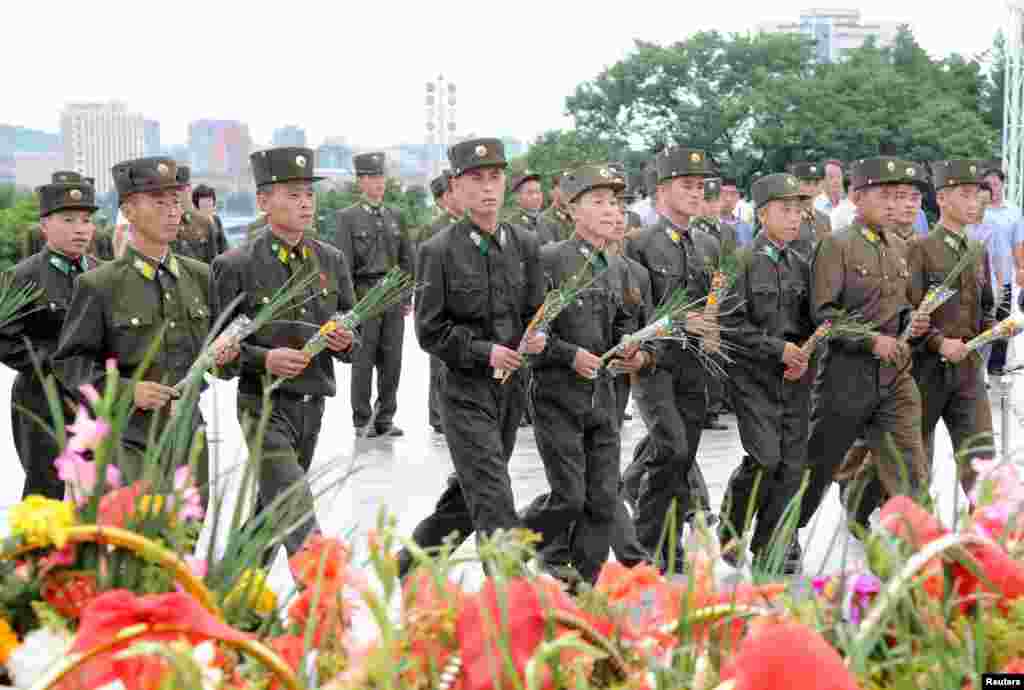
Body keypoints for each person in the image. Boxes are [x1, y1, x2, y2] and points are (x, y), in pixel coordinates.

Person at [396, 137, 546, 577]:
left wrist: (538, 337)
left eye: (495, 178)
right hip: (464, 393)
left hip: (511, 393)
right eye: (475, 179)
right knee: (495, 494)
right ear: (455, 190)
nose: (487, 188)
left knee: (474, 492)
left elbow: (536, 312)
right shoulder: (438, 251)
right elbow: (429, 330)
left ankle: (411, 563)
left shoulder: (525, 244)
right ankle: (510, 596)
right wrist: (484, 351)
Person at [54, 157, 237, 500]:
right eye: (158, 202)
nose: (172, 212)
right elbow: (70, 364)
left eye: (175, 202)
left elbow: (218, 358)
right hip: (128, 440)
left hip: (188, 435)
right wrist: (127, 390)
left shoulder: (199, 275)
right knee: (139, 542)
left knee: (186, 542)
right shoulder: (100, 285)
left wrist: (226, 355)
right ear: (129, 210)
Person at [210, 146, 356, 557]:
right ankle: (323, 601)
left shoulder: (330, 259)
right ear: (263, 201)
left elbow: (349, 323)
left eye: (309, 194)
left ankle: (235, 590)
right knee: (295, 504)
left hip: (313, 403)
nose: (305, 202)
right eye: (292, 194)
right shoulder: (235, 264)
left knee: (271, 509)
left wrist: (346, 340)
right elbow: (217, 351)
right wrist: (263, 358)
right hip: (263, 403)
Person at [521, 164, 650, 584]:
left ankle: (584, 580)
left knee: (602, 498)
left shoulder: (615, 268)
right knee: (569, 496)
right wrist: (569, 354)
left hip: (606, 399)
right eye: (598, 203)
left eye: (615, 203)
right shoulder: (550, 260)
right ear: (574, 211)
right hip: (558, 397)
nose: (612, 212)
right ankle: (514, 540)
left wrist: (630, 347)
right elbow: (532, 335)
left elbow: (622, 323)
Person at [798, 157, 932, 534]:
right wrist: (871, 340)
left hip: (895, 376)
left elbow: (899, 306)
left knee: (910, 462)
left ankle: (923, 545)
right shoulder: (835, 245)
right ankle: (781, 533)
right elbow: (824, 315)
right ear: (857, 197)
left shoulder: (896, 247)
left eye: (897, 197)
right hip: (845, 376)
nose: (893, 205)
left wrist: (911, 321)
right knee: (819, 463)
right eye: (884, 196)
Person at [625, 146, 720, 569]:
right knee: (673, 448)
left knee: (681, 454)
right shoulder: (640, 243)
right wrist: (682, 323)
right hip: (655, 362)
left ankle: (666, 535)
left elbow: (714, 300)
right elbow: (637, 311)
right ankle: (647, 544)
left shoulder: (706, 243)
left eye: (701, 186)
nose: (696, 193)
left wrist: (713, 325)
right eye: (687, 186)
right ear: (662, 190)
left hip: (695, 364)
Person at [719, 172, 815, 574]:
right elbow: (730, 324)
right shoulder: (740, 262)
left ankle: (769, 545)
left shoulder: (802, 261)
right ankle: (730, 526)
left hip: (794, 378)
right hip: (752, 377)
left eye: (799, 211)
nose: (795, 218)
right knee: (765, 458)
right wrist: (779, 350)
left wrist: (804, 354)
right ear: (762, 215)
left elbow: (814, 319)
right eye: (785, 210)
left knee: (793, 466)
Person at [0, 178, 101, 499]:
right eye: (68, 220)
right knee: (46, 494)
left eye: (86, 220)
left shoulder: (103, 274)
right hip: (42, 400)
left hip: (96, 402)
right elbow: (5, 340)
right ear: (45, 225)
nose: (80, 229)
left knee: (98, 493)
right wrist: (58, 366)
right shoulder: (22, 277)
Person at [906, 159, 995, 497]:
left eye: (977, 195)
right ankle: (868, 506)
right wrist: (938, 342)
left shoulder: (975, 249)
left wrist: (993, 330)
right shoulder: (921, 248)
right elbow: (909, 310)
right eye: (966, 194)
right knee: (914, 462)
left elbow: (984, 304)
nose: (975, 202)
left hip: (969, 368)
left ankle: (983, 537)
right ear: (942, 198)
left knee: (981, 458)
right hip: (927, 370)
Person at [334, 152, 414, 438]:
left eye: (380, 177)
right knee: (363, 359)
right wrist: (350, 306)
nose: (378, 183)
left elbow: (407, 258)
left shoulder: (396, 215)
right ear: (361, 182)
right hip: (363, 294)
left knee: (392, 360)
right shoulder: (347, 218)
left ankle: (386, 417)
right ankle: (362, 419)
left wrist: (406, 295)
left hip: (392, 294)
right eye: (371, 177)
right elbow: (342, 264)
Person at [691, 178, 734, 431]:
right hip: (701, 301)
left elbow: (730, 265)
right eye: (707, 200)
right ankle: (707, 408)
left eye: (715, 200)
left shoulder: (726, 230)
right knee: (704, 357)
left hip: (722, 298)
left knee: (718, 355)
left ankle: (717, 404)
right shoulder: (695, 230)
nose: (711, 206)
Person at [421, 171, 461, 434]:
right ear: (444, 198)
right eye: (453, 191)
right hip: (442, 299)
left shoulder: (472, 224)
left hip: (467, 299)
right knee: (439, 359)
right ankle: (438, 415)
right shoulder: (433, 229)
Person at [984, 166, 1021, 376]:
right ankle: (977, 365)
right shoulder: (977, 211)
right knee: (981, 320)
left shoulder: (1014, 212)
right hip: (981, 277)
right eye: (988, 185)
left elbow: (1018, 244)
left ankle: (996, 366)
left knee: (1003, 320)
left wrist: (1021, 269)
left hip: (1005, 277)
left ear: (1003, 184)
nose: (992, 189)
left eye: (996, 184)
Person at [170, 169, 230, 264]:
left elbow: (216, 255)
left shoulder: (205, 222)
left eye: (182, 189)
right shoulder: (165, 222)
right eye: (175, 190)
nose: (179, 194)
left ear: (189, 189)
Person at [787, 162, 832, 259]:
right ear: (795, 185)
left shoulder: (825, 219)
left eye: (816, 184)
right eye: (807, 184)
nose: (812, 189)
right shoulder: (787, 218)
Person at [537, 172, 574, 244]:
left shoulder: (579, 215)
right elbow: (553, 251)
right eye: (562, 187)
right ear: (552, 192)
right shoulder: (544, 220)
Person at [719, 176, 755, 247]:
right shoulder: (712, 225)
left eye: (733, 194)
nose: (728, 199)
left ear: (738, 197)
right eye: (725, 193)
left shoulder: (744, 227)